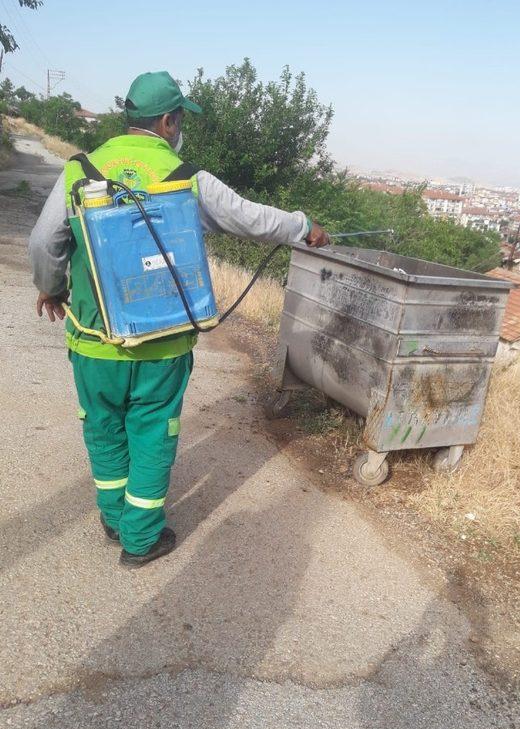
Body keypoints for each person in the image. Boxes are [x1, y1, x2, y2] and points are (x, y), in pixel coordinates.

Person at [29, 70, 330, 568]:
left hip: (92, 340)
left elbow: (44, 243)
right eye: (179, 120)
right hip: (163, 345)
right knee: (151, 432)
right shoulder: (188, 179)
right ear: (168, 122)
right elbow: (253, 219)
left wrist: (52, 287)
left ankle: (112, 517)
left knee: (103, 426)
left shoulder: (80, 170)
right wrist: (303, 226)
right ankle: (141, 538)